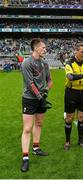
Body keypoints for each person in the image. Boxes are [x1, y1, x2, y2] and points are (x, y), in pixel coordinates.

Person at [21, 38, 53, 172]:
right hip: (29, 98)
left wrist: (45, 92)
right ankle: (25, 158)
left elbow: (50, 81)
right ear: (36, 48)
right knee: (27, 128)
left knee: (39, 124)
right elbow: (30, 83)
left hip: (41, 98)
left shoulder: (44, 63)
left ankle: (36, 148)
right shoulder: (26, 63)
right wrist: (40, 97)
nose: (45, 50)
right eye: (43, 48)